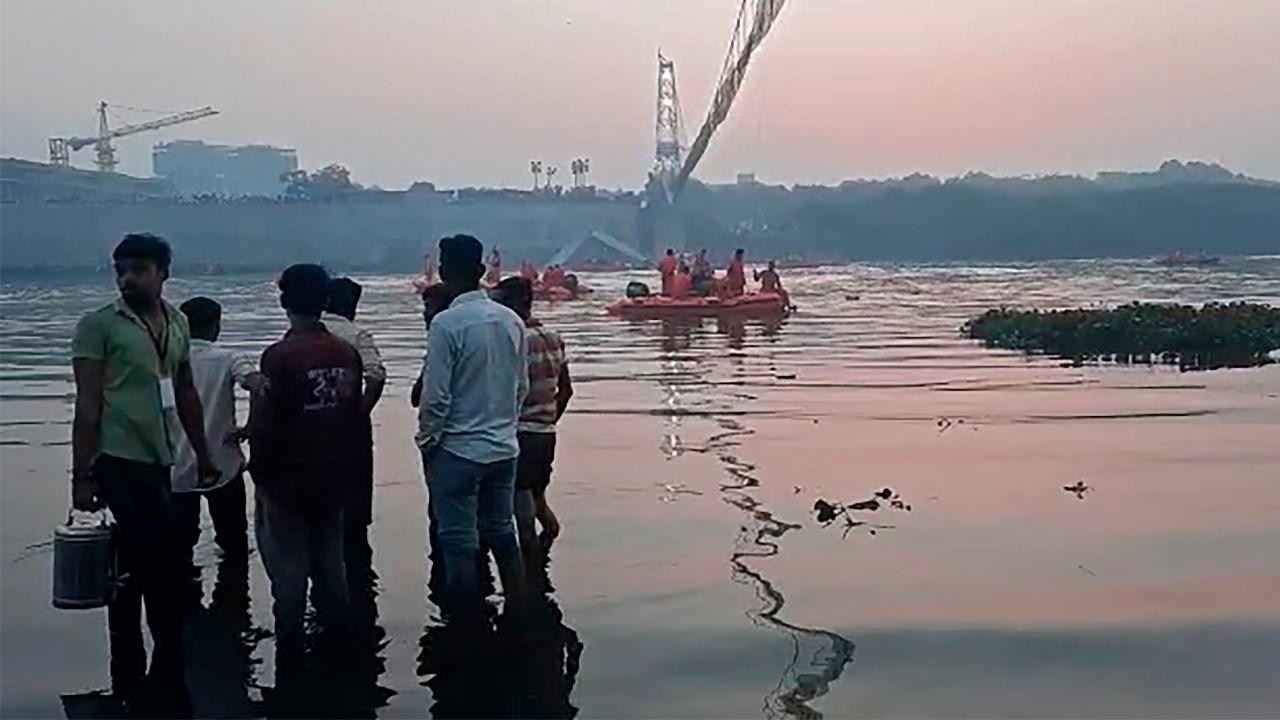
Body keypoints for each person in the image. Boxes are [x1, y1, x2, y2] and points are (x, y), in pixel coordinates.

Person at [70, 232, 219, 715]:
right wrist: (82, 475)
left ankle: (155, 658)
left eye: (138, 269)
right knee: (150, 556)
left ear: (163, 273)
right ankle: (141, 665)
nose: (128, 278)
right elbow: (88, 402)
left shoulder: (176, 322)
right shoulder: (98, 326)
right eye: (121, 270)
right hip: (116, 457)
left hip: (161, 456)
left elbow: (186, 391)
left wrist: (203, 452)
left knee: (150, 559)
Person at [249, 263, 365, 690]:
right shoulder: (344, 353)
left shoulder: (279, 357)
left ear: (284, 302)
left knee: (291, 568)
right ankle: (341, 650)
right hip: (335, 475)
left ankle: (291, 657)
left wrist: (259, 472)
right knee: (333, 564)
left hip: (288, 480)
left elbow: (265, 423)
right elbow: (353, 416)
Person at [418, 235, 528, 624]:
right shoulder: (511, 319)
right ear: (481, 271)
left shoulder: (446, 324)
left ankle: (466, 623)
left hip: (458, 450)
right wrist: (505, 427)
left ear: (445, 273)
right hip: (503, 447)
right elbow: (521, 387)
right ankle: (520, 609)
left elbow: (436, 398)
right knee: (502, 530)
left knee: (458, 540)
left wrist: (428, 442)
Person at [170, 297, 266, 584]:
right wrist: (250, 426)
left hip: (175, 466)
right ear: (216, 325)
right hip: (223, 461)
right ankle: (235, 604)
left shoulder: (167, 360)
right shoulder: (229, 357)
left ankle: (184, 606)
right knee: (234, 540)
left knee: (178, 544)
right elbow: (258, 384)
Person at [493, 277, 574, 554]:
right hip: (545, 433)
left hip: (519, 433)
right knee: (537, 498)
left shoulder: (514, 341)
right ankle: (546, 548)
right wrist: (549, 420)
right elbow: (566, 389)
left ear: (513, 304)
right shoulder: (553, 337)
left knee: (521, 509)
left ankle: (529, 575)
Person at [322, 277, 385, 608]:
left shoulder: (304, 334)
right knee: (355, 512)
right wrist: (360, 411)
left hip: (310, 432)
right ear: (352, 305)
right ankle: (358, 590)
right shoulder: (356, 335)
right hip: (351, 432)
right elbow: (376, 374)